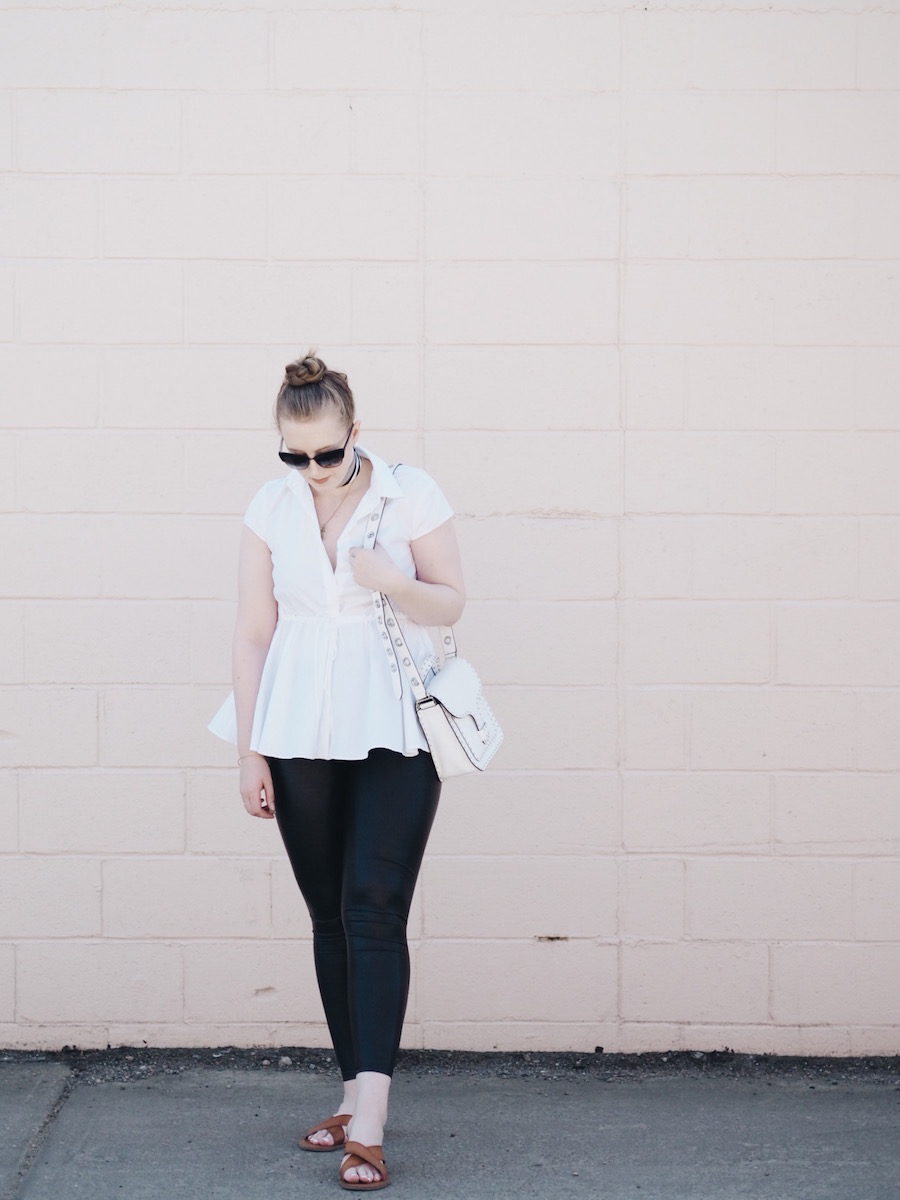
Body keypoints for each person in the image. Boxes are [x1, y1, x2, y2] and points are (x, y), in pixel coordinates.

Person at [208, 351, 465, 1192]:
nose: (312, 471)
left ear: (357, 434)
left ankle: (375, 1122)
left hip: (395, 721)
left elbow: (451, 600)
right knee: (329, 915)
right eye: (295, 455)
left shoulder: (408, 493)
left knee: (374, 906)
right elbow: (254, 630)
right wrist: (250, 747)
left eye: (326, 453)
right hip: (295, 724)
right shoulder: (270, 507)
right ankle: (352, 1095)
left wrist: (391, 578)